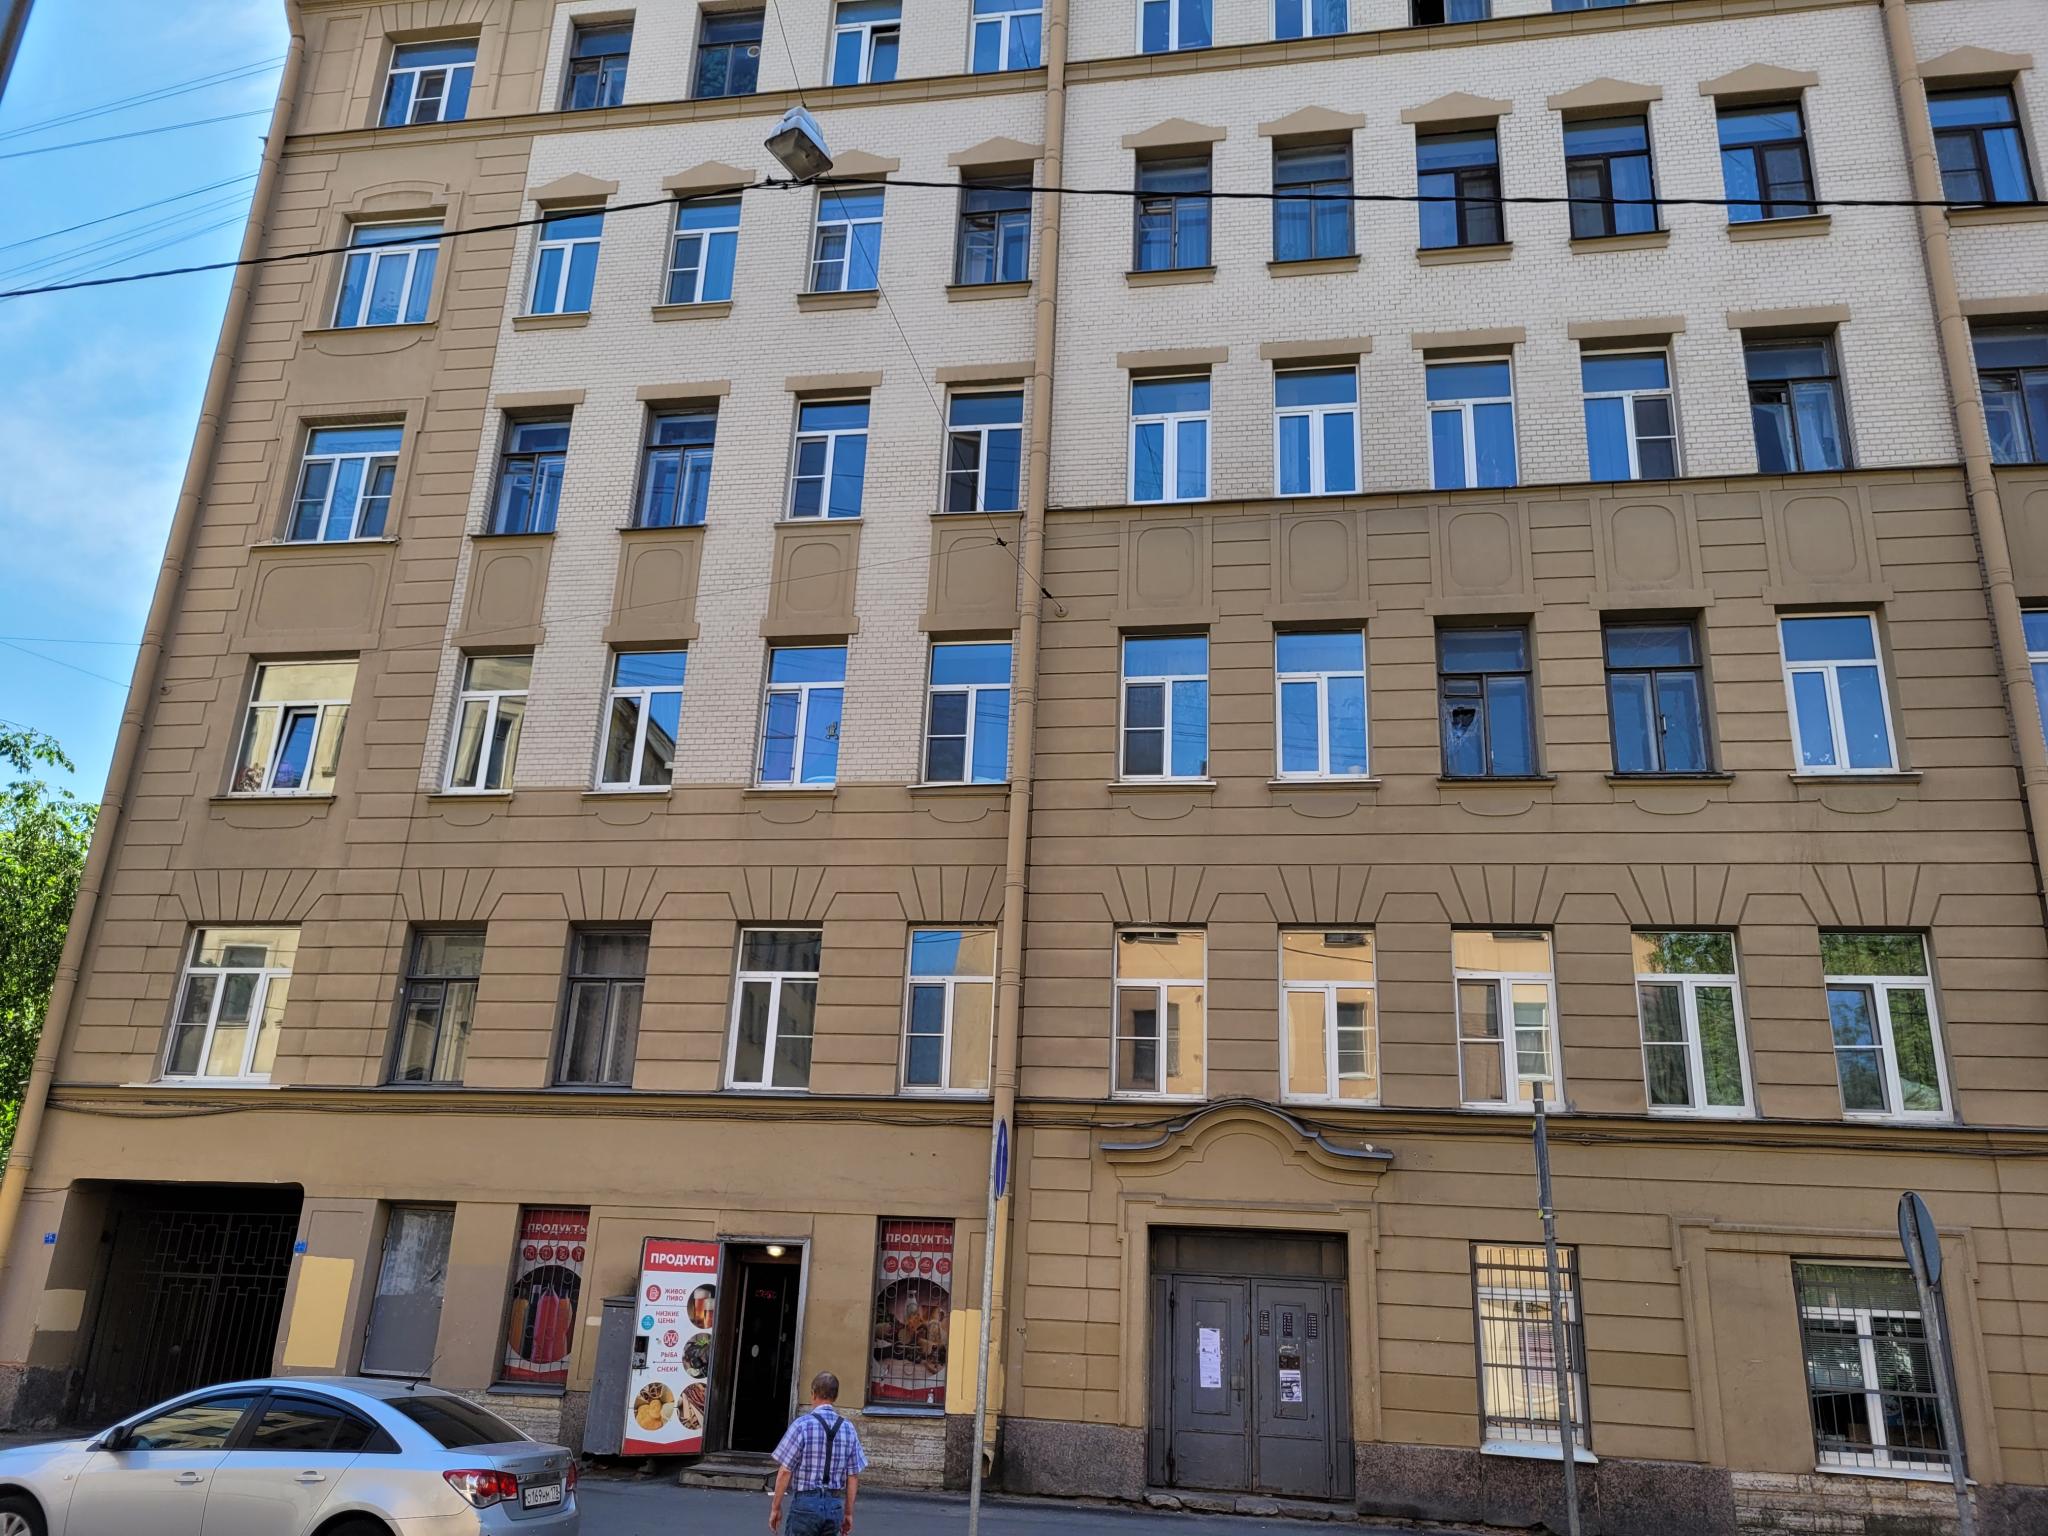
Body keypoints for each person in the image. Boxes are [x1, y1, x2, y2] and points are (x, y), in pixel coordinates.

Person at [768, 1370, 868, 1536]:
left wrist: (776, 1507)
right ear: (835, 1396)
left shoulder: (801, 1425)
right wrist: (848, 1513)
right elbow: (853, 1476)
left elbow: (785, 1471)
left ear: (813, 1393)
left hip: (805, 1505)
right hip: (834, 1506)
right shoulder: (848, 1428)